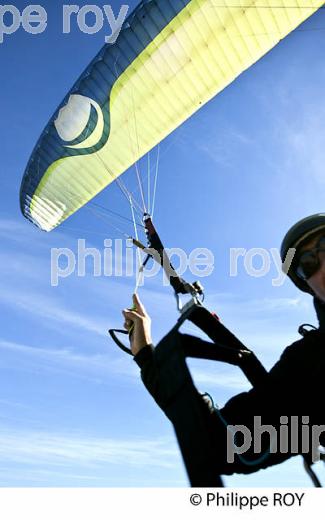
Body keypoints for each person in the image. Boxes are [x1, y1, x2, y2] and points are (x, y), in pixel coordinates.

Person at [123, 213, 325, 476]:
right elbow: (225, 447)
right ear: (306, 283)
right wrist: (148, 359)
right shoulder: (305, 365)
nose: (322, 264)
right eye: (307, 264)